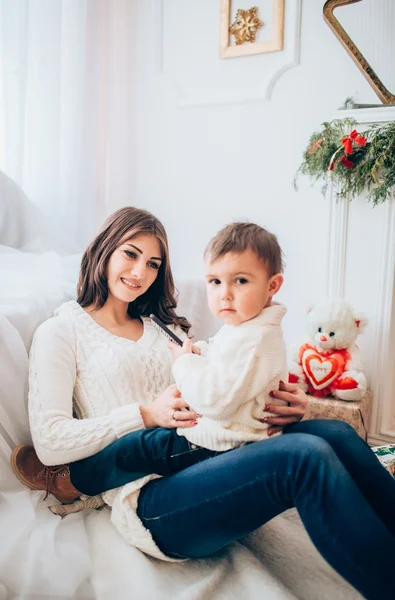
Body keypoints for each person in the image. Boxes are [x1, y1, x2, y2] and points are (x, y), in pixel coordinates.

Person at [10, 207, 395, 600]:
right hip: (152, 500)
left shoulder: (163, 329)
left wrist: (288, 399)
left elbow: (234, 370)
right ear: (104, 249)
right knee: (303, 457)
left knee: (335, 433)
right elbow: (50, 441)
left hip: (207, 453)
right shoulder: (62, 331)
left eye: (153, 263)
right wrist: (143, 414)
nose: (140, 272)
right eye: (130, 254)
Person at [168, 221, 289, 452]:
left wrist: (184, 362)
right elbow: (230, 361)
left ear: (272, 285)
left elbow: (213, 401)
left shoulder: (254, 338)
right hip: (229, 439)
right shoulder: (247, 326)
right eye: (215, 281)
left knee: (138, 449)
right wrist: (201, 352)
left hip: (223, 446)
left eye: (240, 280)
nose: (225, 294)